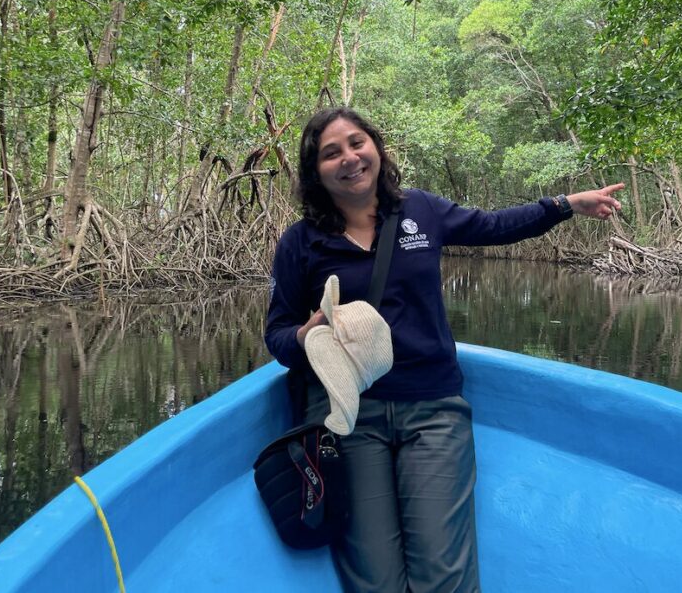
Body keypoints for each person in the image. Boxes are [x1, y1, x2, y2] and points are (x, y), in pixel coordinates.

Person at [264, 107, 623, 593]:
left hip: (433, 408)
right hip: (352, 416)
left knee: (442, 578)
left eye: (356, 143)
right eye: (331, 154)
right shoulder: (300, 243)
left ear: (376, 148)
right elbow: (278, 334)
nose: (349, 158)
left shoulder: (421, 211)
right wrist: (306, 336)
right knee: (376, 581)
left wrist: (565, 204)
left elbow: (494, 226)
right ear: (316, 172)